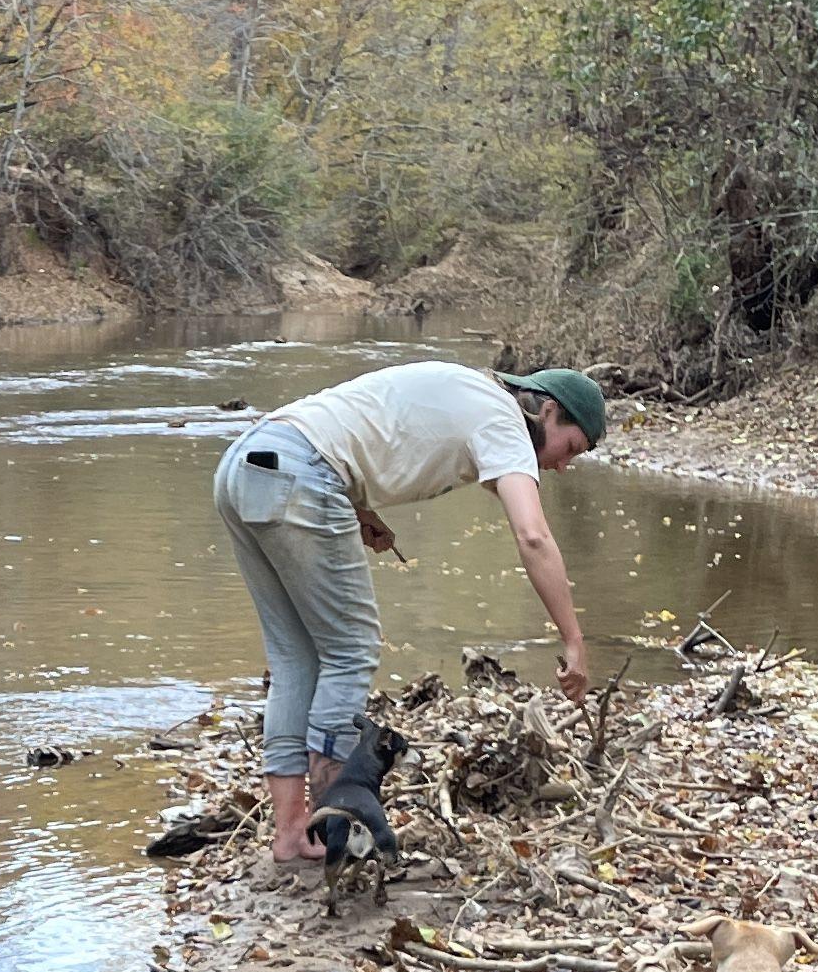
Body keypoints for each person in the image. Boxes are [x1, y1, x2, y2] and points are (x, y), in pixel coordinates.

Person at [207, 361, 607, 868]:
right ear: (547, 410)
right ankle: (333, 830)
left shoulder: (473, 391)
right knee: (350, 650)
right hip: (299, 471)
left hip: (245, 465)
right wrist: (573, 638)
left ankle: (292, 835)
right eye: (569, 448)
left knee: (296, 661)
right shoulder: (505, 418)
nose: (561, 466)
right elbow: (532, 536)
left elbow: (356, 428)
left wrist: (359, 510)